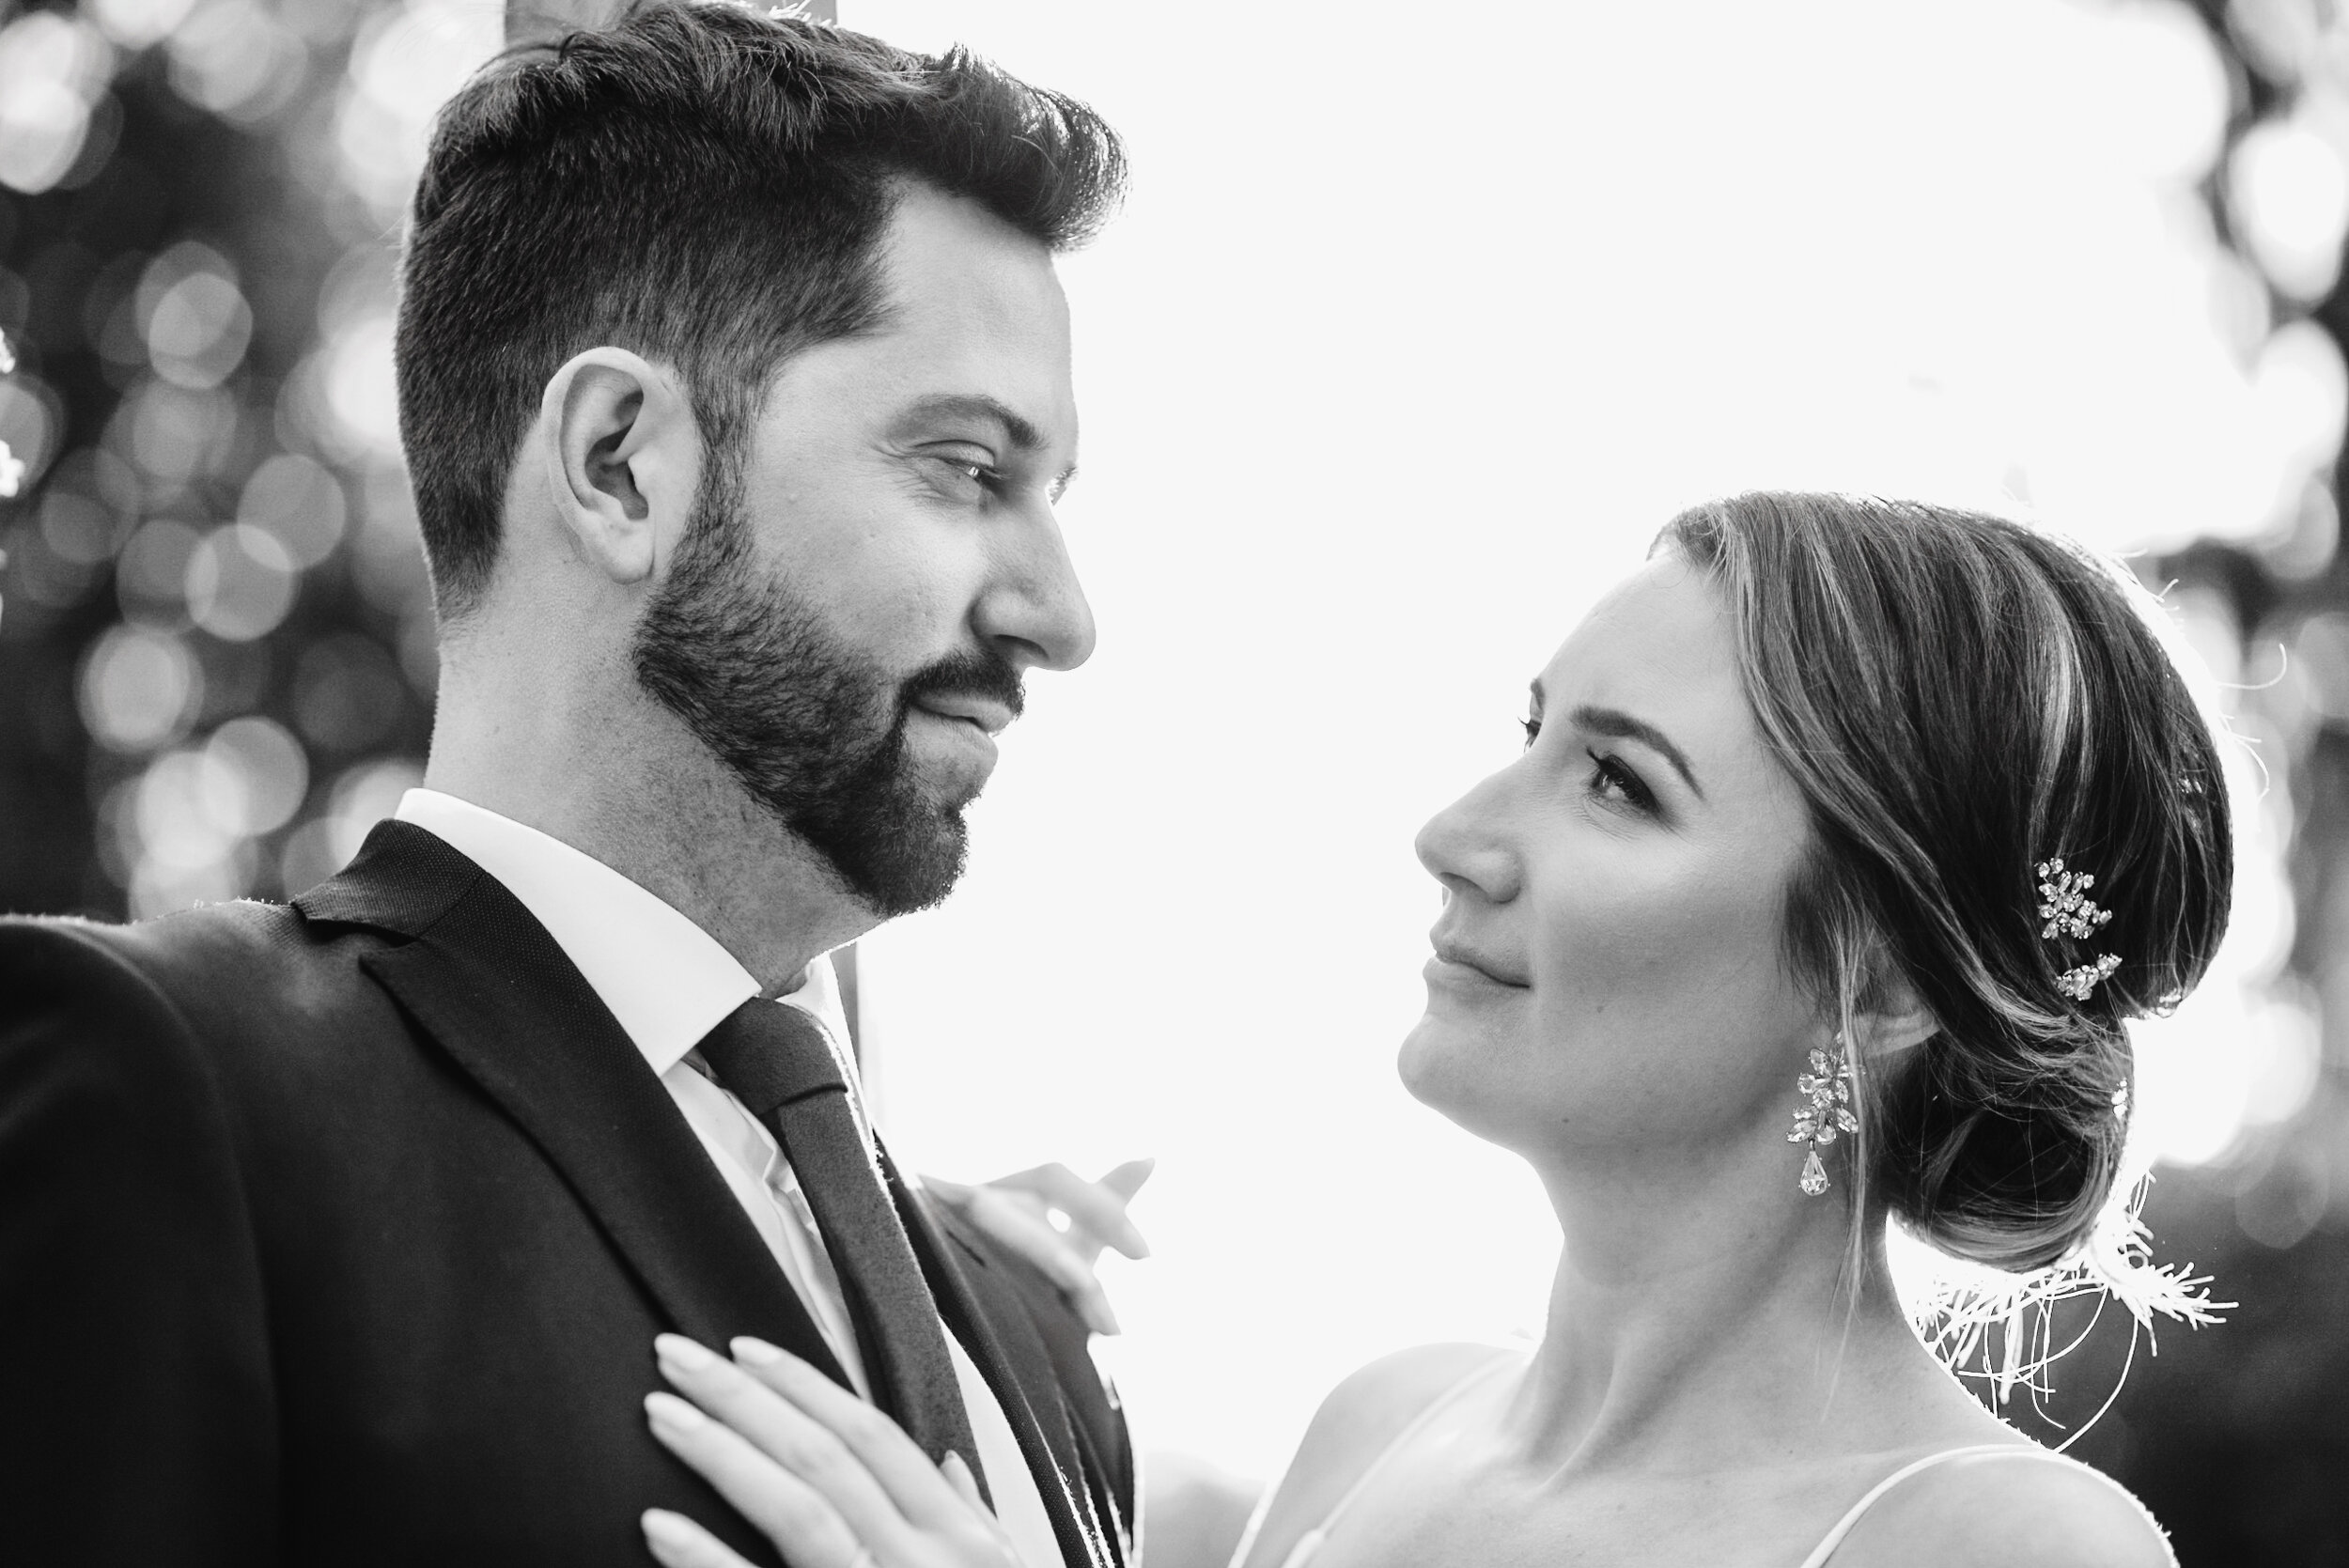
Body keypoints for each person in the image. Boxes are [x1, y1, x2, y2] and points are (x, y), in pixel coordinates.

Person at [0, 7, 1143, 1565]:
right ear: (620, 463)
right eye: (965, 468)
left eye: (1054, 495)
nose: (1062, 618)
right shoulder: (170, 1095)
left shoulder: (1041, 1349)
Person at [634, 492, 2229, 1568]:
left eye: (1618, 781)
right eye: (1532, 735)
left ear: (1881, 984)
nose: (1456, 830)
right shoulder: (1375, 1428)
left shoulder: (2003, 1545)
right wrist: (919, 1292)